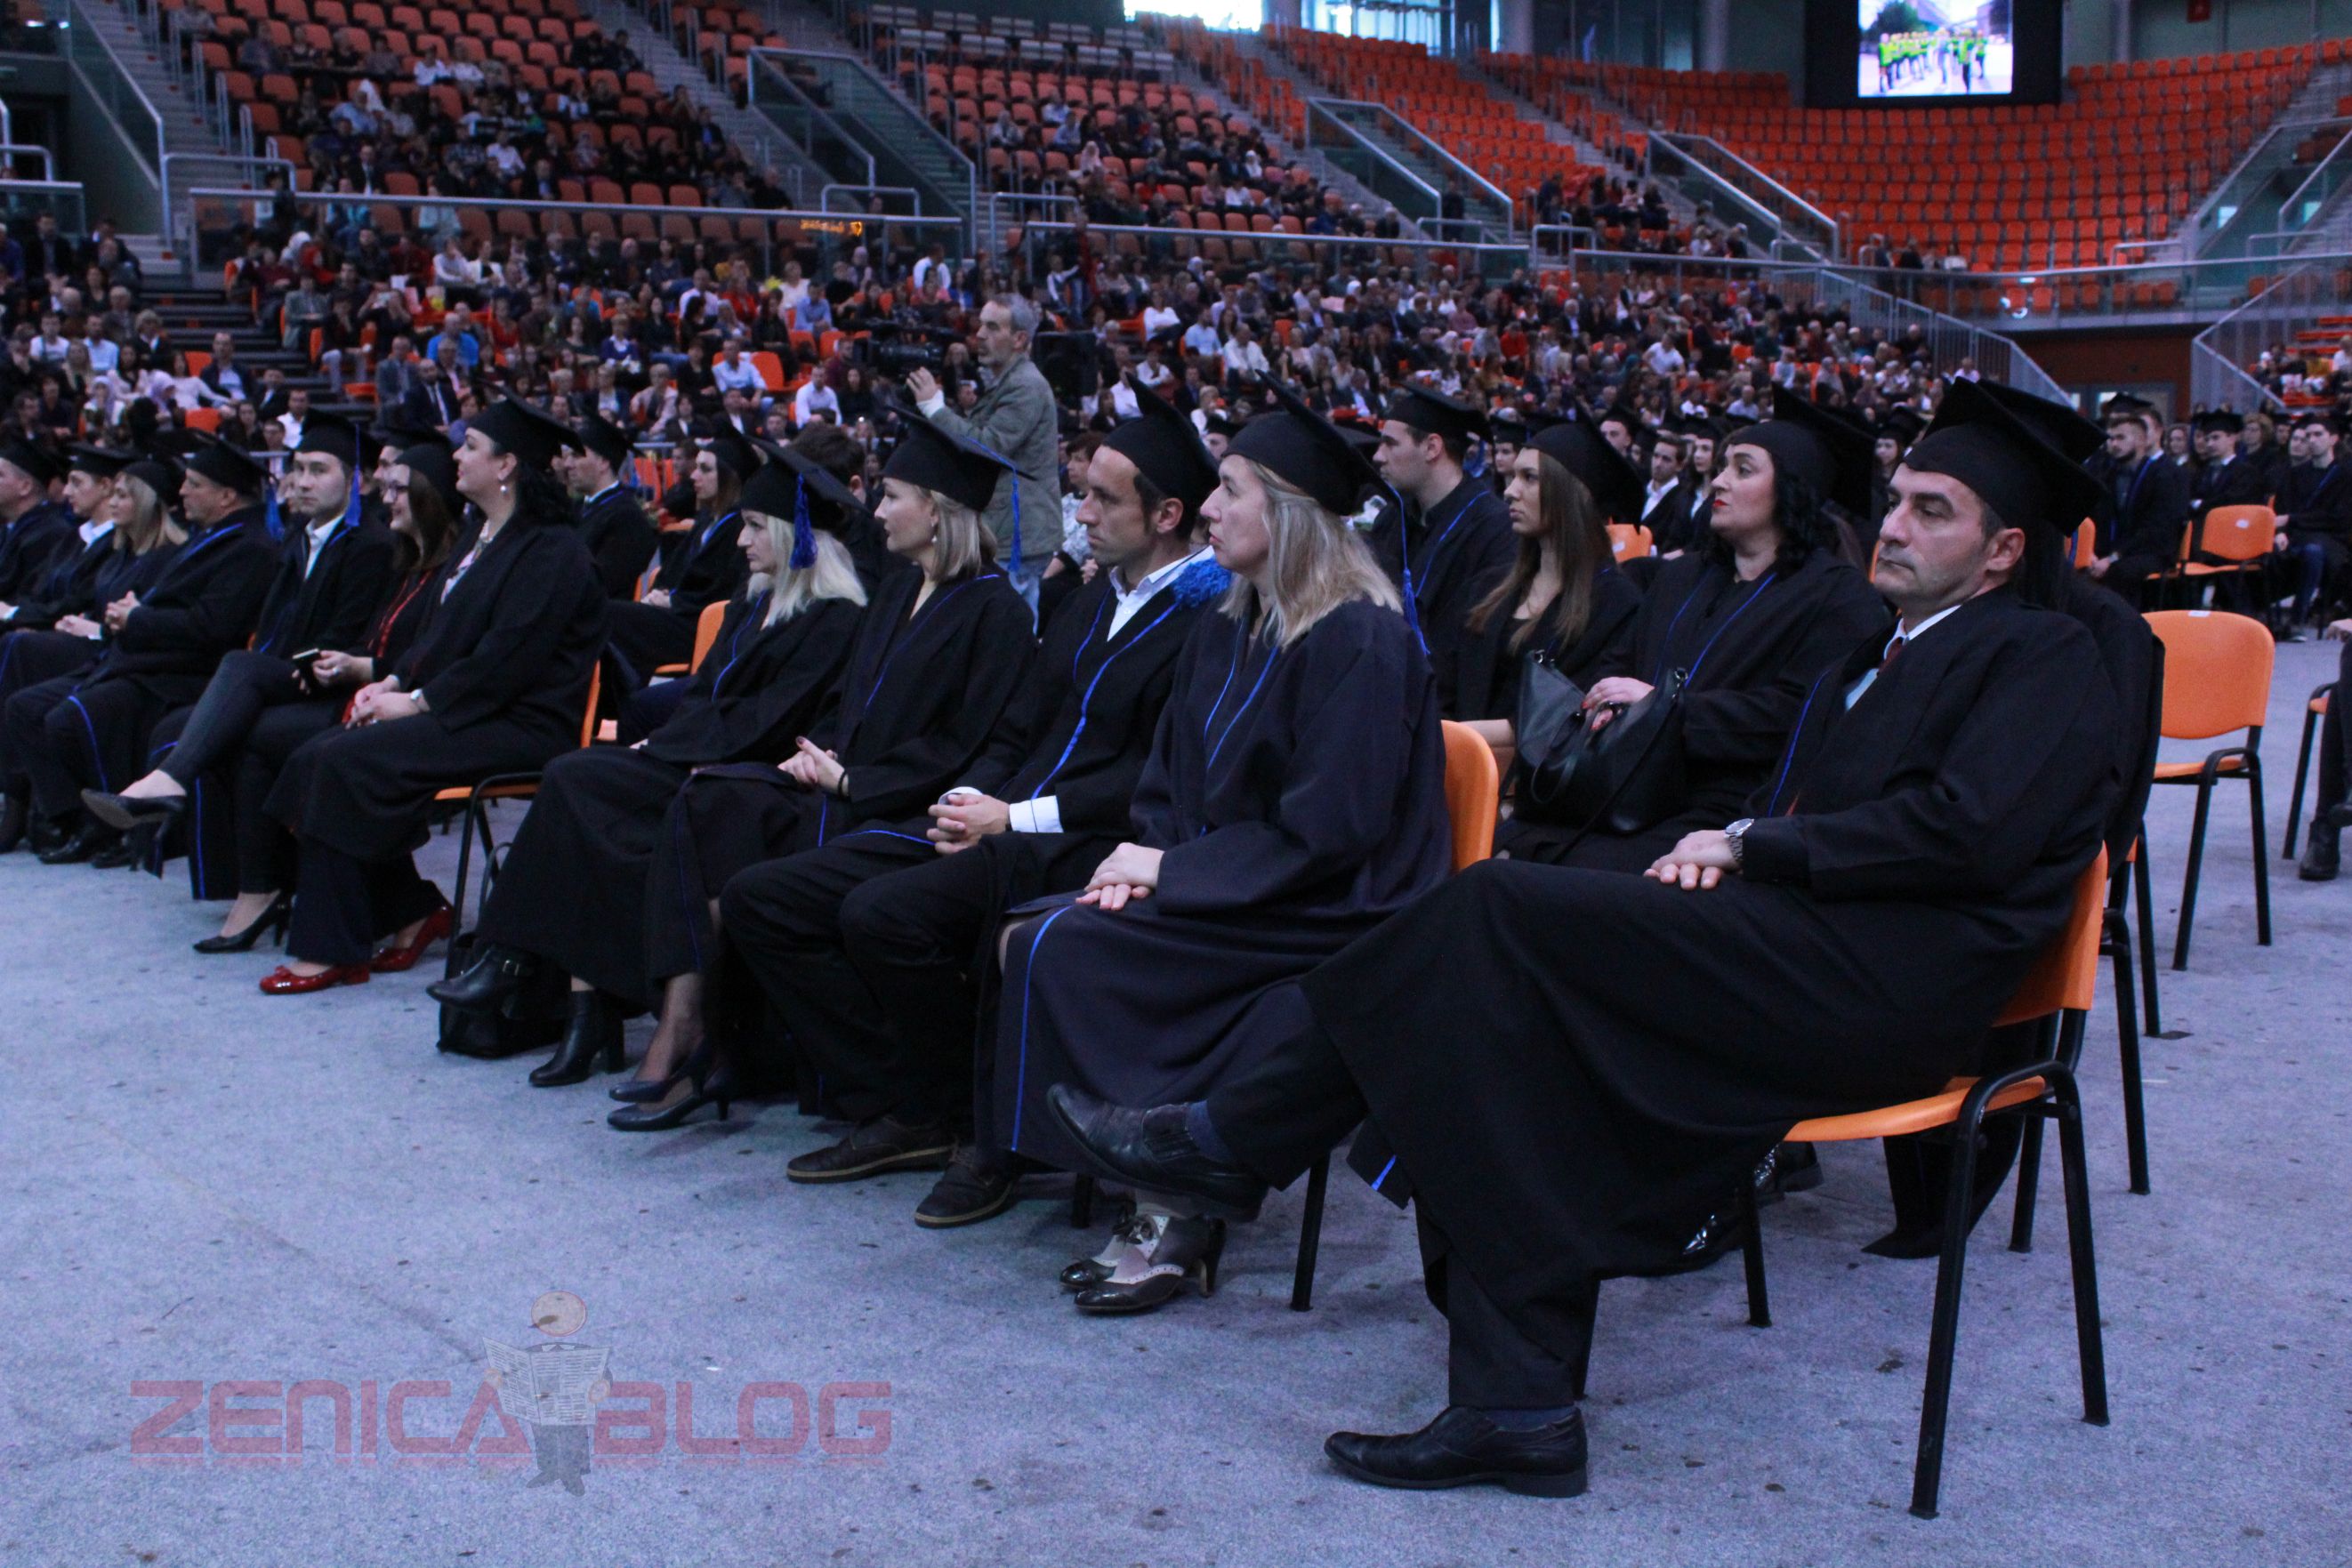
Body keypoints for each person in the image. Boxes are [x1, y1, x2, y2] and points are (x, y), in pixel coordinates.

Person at [1043, 376, 2123, 1497]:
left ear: (2002, 551)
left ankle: (1232, 1138)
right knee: (1487, 1038)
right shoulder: (1879, 655)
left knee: (1489, 909)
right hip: (1791, 948)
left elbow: (1963, 830)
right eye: (1895, 500)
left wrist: (1751, 841)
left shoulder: (2041, 652)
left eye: (1931, 511)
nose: (1891, 524)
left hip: (1888, 987)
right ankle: (1517, 1406)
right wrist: (1736, 851)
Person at [992, 382, 1452, 1315]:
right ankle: (1156, 1185)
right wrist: (1144, 863)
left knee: (1064, 947)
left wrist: (1169, 871)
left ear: (1289, 515)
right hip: (1243, 884)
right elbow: (1168, 784)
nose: (1208, 505)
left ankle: (1172, 1203)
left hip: (1333, 905)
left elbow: (1333, 829)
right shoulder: (1229, 623)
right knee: (1035, 934)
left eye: (1231, 488)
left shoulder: (1361, 641)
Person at [718, 387, 1228, 1226]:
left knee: (884, 915)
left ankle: (979, 1131)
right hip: (1004, 821)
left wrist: (1010, 817)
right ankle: (917, 1098)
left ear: (1167, 514)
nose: (1080, 512)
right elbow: (1023, 725)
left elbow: (1144, 776)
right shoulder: (1091, 600)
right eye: (1084, 494)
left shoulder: (1205, 619)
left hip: (1090, 844)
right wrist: (970, 800)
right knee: (765, 898)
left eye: (1103, 499)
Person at [574, 419, 1036, 1128]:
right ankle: (698, 1031)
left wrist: (851, 780)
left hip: (898, 804)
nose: (877, 510)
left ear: (937, 511)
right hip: (839, 782)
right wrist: (817, 751)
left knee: (725, 830)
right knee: (708, 799)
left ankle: (703, 1038)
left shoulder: (995, 610)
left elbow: (962, 743)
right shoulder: (899, 590)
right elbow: (848, 700)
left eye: (892, 496)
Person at [427, 446, 868, 1088]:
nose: (740, 540)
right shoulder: (753, 604)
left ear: (793, 536)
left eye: (753, 527)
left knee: (584, 797)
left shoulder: (836, 619)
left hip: (746, 778)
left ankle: (535, 976)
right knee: (576, 779)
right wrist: (659, 743)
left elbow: (771, 719)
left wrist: (666, 749)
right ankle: (551, 988)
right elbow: (701, 696)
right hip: (695, 758)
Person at [254, 398, 607, 993]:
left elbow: (506, 660)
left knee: (343, 762)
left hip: (522, 722)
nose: (457, 456)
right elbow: (436, 636)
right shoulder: (479, 535)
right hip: (468, 709)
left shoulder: (553, 551)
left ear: (507, 465)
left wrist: (419, 703)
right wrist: (391, 683)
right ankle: (410, 910)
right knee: (316, 755)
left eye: (471, 446)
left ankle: (332, 949)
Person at [1494, 388, 1890, 870]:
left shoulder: (1838, 598)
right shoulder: (1683, 577)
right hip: (1620, 784)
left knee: (1531, 874)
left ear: (1792, 487)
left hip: (1719, 812)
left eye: (1742, 469)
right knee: (1504, 843)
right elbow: (1621, 662)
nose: (1719, 480)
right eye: (1722, 466)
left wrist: (1666, 709)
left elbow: (1794, 714)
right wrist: (1606, 702)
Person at [81, 416, 403, 902]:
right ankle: (233, 886)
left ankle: (170, 785)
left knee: (240, 673)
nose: (303, 482)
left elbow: (346, 637)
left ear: (356, 481)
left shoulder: (370, 546)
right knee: (175, 726)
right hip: (284, 674)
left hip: (328, 681)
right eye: (298, 469)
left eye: (319, 470)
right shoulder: (300, 537)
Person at [3, 445, 277, 864]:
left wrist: (136, 618)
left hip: (177, 672)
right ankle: (70, 818)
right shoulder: (211, 539)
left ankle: (112, 827)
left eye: (195, 484)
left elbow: (212, 626)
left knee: (72, 714)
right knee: (25, 706)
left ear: (227, 496)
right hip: (138, 657)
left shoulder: (249, 548)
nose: (182, 492)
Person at [1450, 416, 1646, 773]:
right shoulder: (1488, 586)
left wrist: (1451, 736)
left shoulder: (1616, 605)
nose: (1510, 491)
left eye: (1530, 478)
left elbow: (1569, 717)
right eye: (1514, 476)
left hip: (1529, 783)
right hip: (1453, 766)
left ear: (1574, 494)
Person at [1363, 384, 1517, 718]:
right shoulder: (1392, 519)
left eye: (1391, 443)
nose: (1378, 456)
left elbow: (1476, 650)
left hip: (1445, 715)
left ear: (1432, 447)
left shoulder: (1494, 531)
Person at [906, 295, 1059, 601]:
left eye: (992, 327)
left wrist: (935, 408)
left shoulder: (1026, 386)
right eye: (980, 326)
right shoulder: (1010, 381)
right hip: (1010, 529)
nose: (979, 334)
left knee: (1011, 621)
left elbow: (987, 446)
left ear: (1019, 339)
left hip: (1017, 535)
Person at [602, 426, 753, 685]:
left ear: (729, 478)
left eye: (705, 469)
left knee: (609, 615)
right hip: (676, 615)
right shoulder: (706, 520)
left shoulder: (737, 527)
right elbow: (673, 570)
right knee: (609, 615)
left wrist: (672, 600)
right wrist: (660, 594)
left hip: (697, 626)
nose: (694, 476)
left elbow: (722, 590)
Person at [2084, 393, 2188, 607]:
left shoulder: (2162, 476)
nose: (2113, 444)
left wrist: (2114, 557)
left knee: (2119, 573)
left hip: (2149, 552)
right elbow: (2097, 520)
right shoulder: (2107, 475)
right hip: (2113, 552)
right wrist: (2091, 553)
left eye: (2120, 438)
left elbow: (2155, 529)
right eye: (2111, 438)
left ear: (2140, 440)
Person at [560, 413, 660, 600]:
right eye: (567, 456)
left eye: (577, 455)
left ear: (603, 463)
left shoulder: (626, 518)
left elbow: (600, 586)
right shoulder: (578, 508)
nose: (567, 464)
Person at [2271, 411, 2349, 636]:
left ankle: (2298, 617)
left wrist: (2292, 520)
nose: (2312, 440)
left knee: (2313, 551)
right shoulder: (2295, 474)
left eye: (2318, 435)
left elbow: (2339, 518)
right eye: (2308, 436)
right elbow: (2281, 510)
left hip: (2332, 540)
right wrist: (2281, 531)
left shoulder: (2346, 475)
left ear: (2333, 439)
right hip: (2295, 537)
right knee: (2269, 552)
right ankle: (2257, 611)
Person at [0, 438, 77, 607]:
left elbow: (28, 598)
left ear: (25, 487)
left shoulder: (51, 535)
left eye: (0, 475)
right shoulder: (8, 530)